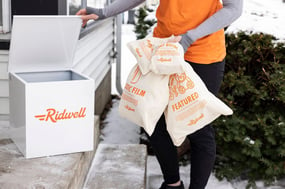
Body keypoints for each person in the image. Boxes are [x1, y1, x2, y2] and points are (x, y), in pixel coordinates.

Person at [77, 0, 243, 188]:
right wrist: (104, 12)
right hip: (164, 49)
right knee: (153, 119)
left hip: (202, 56)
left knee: (197, 128)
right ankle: (172, 184)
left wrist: (190, 37)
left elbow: (234, 8)